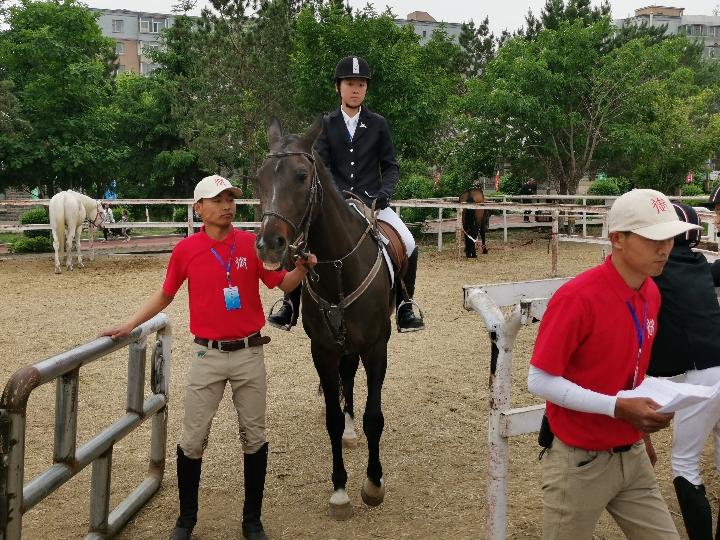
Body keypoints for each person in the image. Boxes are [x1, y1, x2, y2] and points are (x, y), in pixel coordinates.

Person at [100, 175, 317, 540]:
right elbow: (165, 295)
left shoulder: (252, 244)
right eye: (217, 199)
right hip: (207, 355)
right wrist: (129, 324)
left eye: (231, 198)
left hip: (250, 352)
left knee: (255, 437)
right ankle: (186, 520)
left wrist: (302, 270)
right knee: (192, 439)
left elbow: (280, 284)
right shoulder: (186, 251)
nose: (227, 205)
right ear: (198, 208)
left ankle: (252, 521)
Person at [527, 188, 701, 539]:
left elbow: (630, 370)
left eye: (669, 236)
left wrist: (638, 428)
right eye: (653, 238)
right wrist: (618, 408)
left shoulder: (650, 291)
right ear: (617, 239)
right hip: (580, 462)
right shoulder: (577, 298)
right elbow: (540, 379)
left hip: (632, 455)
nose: (664, 247)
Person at [267, 55, 424, 333]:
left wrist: (384, 193)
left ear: (366, 89)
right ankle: (290, 304)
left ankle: (404, 305)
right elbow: (319, 165)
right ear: (338, 87)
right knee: (298, 245)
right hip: (335, 204)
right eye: (350, 83)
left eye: (361, 84)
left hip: (372, 202)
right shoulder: (326, 125)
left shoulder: (378, 124)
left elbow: (390, 167)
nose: (356, 89)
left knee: (408, 242)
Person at [647, 201, 720, 540]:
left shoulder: (656, 271)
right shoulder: (699, 264)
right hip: (713, 363)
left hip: (702, 374)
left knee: (685, 463)